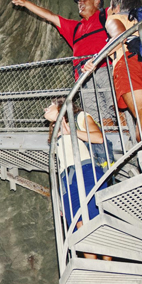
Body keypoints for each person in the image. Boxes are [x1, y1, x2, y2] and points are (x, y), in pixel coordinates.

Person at [9, 0, 116, 126]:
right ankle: (113, 141)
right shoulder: (75, 28)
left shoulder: (107, 15)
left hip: (106, 68)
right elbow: (51, 17)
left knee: (117, 106)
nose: (80, 3)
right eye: (79, 1)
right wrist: (25, 3)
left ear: (97, 1)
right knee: (99, 118)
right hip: (84, 78)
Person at [88, 0, 142, 148]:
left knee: (141, 110)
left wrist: (96, 60)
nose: (108, 11)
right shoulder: (140, 20)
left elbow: (119, 37)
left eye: (110, 7)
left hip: (129, 63)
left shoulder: (115, 18)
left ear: (116, 7)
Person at [45, 98, 112, 260]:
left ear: (60, 107)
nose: (44, 109)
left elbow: (98, 137)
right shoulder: (55, 131)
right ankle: (96, 271)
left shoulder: (79, 117)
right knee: (80, 227)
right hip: (66, 180)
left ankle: (110, 266)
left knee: (97, 221)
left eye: (49, 105)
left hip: (87, 170)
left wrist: (72, 132)